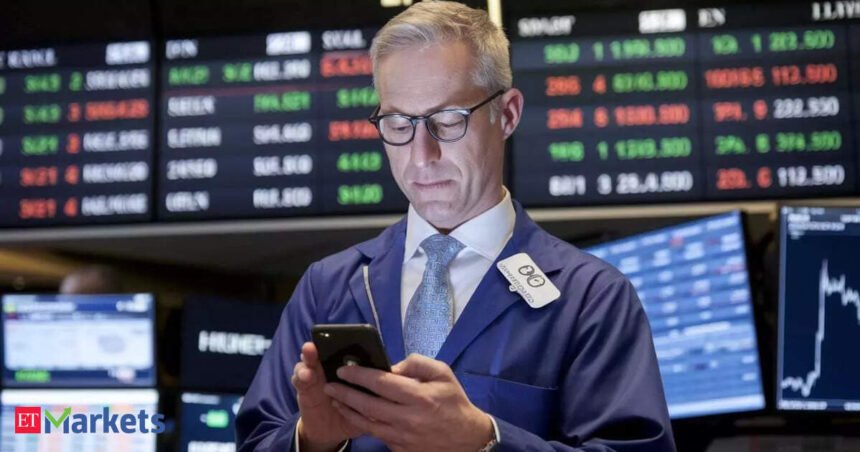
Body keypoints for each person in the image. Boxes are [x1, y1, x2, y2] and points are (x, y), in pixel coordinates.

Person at [236, 2, 675, 451]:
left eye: (448, 121)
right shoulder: (327, 287)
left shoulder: (591, 297)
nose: (421, 156)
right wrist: (311, 439)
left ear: (507, 114)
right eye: (398, 124)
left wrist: (484, 441)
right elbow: (257, 440)